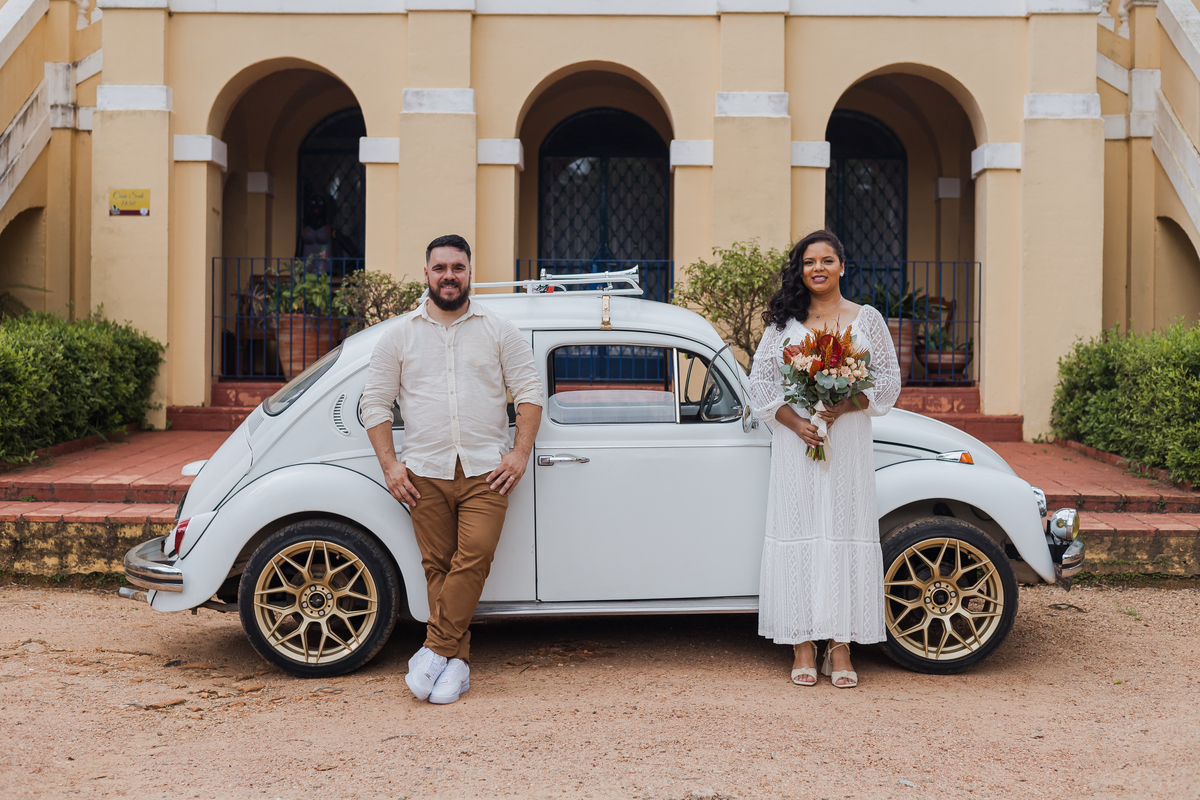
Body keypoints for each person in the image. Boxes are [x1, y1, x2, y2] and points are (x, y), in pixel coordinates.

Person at [359, 234, 543, 704]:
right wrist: (390, 467)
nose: (448, 276)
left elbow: (529, 393)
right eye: (439, 268)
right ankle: (457, 665)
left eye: (457, 268)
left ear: (469, 272)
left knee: (475, 557)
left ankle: (434, 649)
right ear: (426, 273)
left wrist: (519, 454)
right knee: (437, 566)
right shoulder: (399, 335)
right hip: (423, 471)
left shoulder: (499, 329)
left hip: (487, 472)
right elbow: (374, 404)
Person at [748, 229, 901, 688]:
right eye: (809, 261)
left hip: (847, 442)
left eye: (827, 260)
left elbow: (888, 381)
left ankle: (840, 644)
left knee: (843, 529)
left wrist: (845, 404)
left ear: (842, 266)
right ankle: (802, 642)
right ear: (801, 269)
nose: (818, 268)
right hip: (797, 447)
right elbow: (760, 387)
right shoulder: (783, 327)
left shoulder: (865, 319)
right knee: (801, 531)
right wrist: (798, 425)